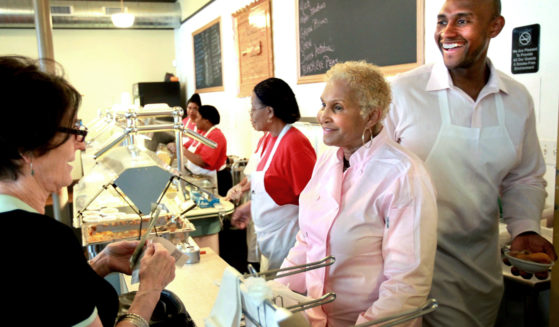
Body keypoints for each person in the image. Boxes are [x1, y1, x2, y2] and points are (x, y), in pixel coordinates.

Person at [384, 1, 557, 326]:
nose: (447, 32)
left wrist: (526, 228)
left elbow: (524, 177)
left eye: (462, 21)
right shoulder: (404, 92)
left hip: (480, 274)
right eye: (442, 21)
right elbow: (371, 177)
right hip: (407, 272)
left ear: (495, 26)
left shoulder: (516, 99)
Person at [0, 56, 176, 326]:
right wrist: (150, 289)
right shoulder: (43, 240)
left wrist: (101, 263)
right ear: (29, 147)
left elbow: (47, 297)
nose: (80, 146)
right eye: (73, 132)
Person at [276, 61, 438, 326]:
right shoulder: (327, 161)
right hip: (315, 319)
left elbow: (407, 282)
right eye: (323, 104)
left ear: (371, 116)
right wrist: (273, 294)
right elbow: (308, 241)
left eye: (337, 107)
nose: (323, 116)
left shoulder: (404, 175)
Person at [227, 77, 316, 271]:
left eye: (253, 108)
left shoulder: (294, 144)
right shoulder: (269, 140)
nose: (251, 115)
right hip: (270, 239)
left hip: (289, 243)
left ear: (269, 112)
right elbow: (275, 188)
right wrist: (251, 207)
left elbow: (313, 202)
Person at [182, 105, 229, 195]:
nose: (195, 121)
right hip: (202, 178)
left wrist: (183, 151)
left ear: (206, 121)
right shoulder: (202, 133)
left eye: (197, 118)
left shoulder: (216, 136)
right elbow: (188, 145)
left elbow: (203, 161)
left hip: (217, 180)